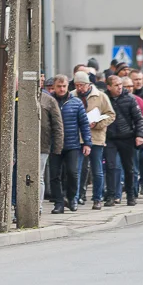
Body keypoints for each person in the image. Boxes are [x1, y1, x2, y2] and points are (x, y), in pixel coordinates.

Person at [72, 71, 115, 209]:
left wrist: (97, 124)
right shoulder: (72, 96)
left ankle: (97, 198)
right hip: (77, 137)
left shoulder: (100, 96)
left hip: (95, 137)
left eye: (82, 85)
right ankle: (75, 197)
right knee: (77, 170)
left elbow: (110, 115)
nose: (80, 88)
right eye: (77, 85)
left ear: (88, 84)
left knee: (97, 170)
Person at [50, 75, 92, 213]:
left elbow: (84, 124)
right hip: (54, 144)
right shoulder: (49, 101)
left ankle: (72, 197)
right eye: (59, 86)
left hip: (72, 144)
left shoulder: (76, 102)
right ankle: (58, 202)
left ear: (68, 86)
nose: (61, 89)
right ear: (54, 87)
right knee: (55, 175)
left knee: (72, 173)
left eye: (64, 86)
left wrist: (87, 143)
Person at [104, 74, 143, 207]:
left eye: (120, 85)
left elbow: (139, 119)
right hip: (110, 138)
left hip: (127, 137)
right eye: (116, 85)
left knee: (129, 168)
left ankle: (130, 195)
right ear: (109, 87)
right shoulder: (104, 99)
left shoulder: (129, 99)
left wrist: (140, 135)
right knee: (111, 167)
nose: (119, 88)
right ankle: (111, 196)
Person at [123, 75, 143, 197]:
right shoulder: (112, 100)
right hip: (118, 138)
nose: (129, 88)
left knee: (134, 167)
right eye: (127, 86)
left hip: (134, 138)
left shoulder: (138, 100)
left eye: (131, 86)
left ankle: (134, 192)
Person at [40, 78, 64, 213]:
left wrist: (57, 146)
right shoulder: (18, 98)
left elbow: (57, 125)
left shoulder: (48, 100)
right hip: (20, 145)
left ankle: (38, 207)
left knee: (39, 176)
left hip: (43, 144)